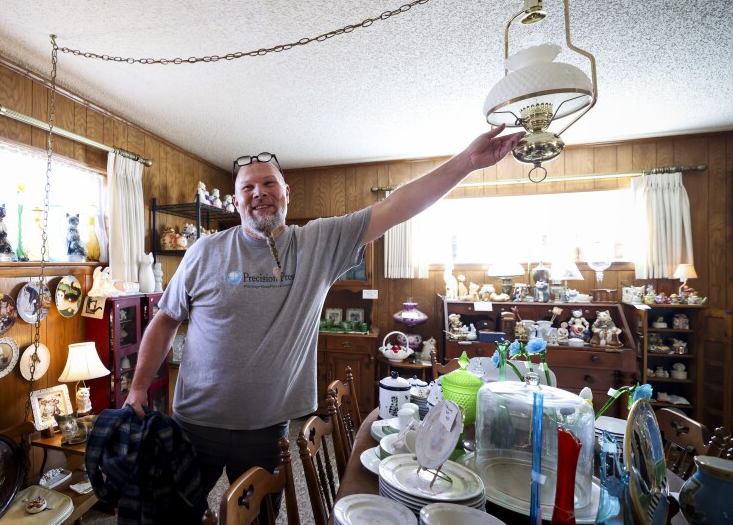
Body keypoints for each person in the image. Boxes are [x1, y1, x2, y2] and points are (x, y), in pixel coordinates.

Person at [124, 124, 522, 519]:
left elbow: (398, 205)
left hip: (266, 430)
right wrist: (138, 386)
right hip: (195, 423)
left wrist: (466, 163)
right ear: (235, 200)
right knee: (170, 514)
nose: (258, 193)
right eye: (247, 188)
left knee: (260, 517)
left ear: (286, 194)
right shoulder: (204, 251)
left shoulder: (318, 243)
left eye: (268, 184)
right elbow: (164, 320)